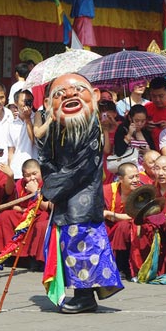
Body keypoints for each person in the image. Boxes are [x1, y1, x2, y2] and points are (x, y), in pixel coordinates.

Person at [39, 73, 123, 314]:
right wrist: (51, 182)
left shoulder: (93, 128)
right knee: (68, 245)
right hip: (64, 197)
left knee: (81, 246)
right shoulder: (57, 128)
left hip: (83, 198)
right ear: (49, 104)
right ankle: (81, 293)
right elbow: (46, 159)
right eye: (59, 93)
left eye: (78, 89)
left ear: (94, 96)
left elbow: (82, 168)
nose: (69, 94)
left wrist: (51, 188)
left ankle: (85, 296)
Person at [0, 158, 48, 267]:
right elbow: (14, 205)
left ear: (41, 171)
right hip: (25, 212)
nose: (31, 178)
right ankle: (8, 255)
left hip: (41, 213)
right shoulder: (20, 184)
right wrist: (23, 210)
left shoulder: (48, 182)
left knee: (42, 220)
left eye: (35, 174)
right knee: (5, 216)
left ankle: (32, 257)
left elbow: (46, 207)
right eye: (27, 175)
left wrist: (35, 191)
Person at [102, 162, 139, 277]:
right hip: (109, 225)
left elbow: (137, 215)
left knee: (123, 226)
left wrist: (112, 215)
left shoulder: (142, 192)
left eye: (137, 176)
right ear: (121, 179)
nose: (136, 180)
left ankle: (122, 266)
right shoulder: (108, 190)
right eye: (131, 177)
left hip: (130, 227)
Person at [112, 104, 155, 170]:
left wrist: (146, 151)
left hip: (144, 169)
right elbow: (119, 152)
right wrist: (129, 134)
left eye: (143, 121)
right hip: (127, 168)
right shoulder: (122, 129)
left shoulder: (146, 132)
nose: (140, 124)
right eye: (137, 121)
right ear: (130, 118)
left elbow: (153, 152)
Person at [7, 90, 36, 180]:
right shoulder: (11, 123)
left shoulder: (38, 119)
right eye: (24, 101)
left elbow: (34, 141)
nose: (27, 103)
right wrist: (10, 169)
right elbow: (11, 150)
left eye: (30, 101)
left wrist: (27, 119)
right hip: (17, 170)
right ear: (16, 103)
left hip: (35, 169)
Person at [144, 77, 166, 146]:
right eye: (154, 96)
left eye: (161, 96)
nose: (157, 99)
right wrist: (144, 126)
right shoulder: (147, 107)